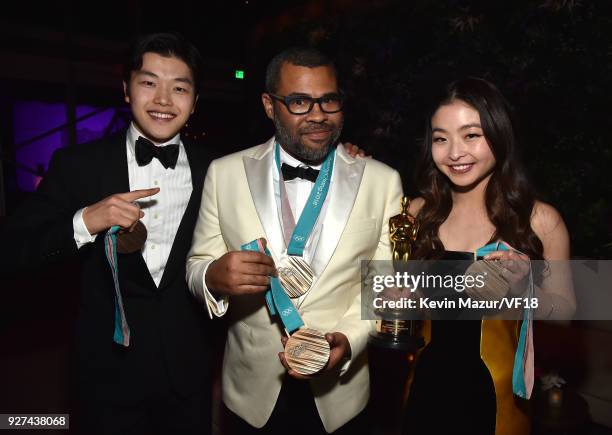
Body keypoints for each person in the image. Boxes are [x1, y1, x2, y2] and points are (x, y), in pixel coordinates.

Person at [1, 32, 214, 434]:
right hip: (106, 372)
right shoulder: (76, 164)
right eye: (149, 83)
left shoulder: (219, 170)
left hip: (188, 372)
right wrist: (85, 221)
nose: (164, 100)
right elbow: (13, 250)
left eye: (179, 87)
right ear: (126, 90)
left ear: (195, 100)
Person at [186, 47, 402, 434]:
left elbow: (384, 287)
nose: (318, 115)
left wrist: (348, 341)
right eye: (300, 102)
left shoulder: (382, 181)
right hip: (251, 394)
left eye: (329, 100)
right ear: (270, 106)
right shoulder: (225, 174)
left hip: (342, 398)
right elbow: (197, 263)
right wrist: (214, 277)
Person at [402, 77, 576, 435]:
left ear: (499, 135)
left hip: (497, 404)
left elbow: (566, 313)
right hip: (422, 393)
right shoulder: (417, 213)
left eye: (471, 135)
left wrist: (523, 289)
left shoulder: (540, 220)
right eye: (440, 138)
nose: (454, 152)